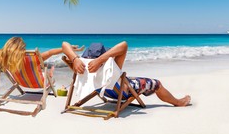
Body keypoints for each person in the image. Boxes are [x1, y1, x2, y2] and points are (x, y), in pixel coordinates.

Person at [62, 41, 191, 107]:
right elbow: (124, 45)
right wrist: (101, 60)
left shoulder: (80, 66)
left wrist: (75, 58)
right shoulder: (109, 66)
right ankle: (178, 102)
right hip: (122, 91)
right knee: (157, 83)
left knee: (129, 78)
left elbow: (64, 44)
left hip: (101, 88)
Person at [0, 36, 83, 76]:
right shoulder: (33, 57)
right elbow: (51, 52)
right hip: (37, 84)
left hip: (20, 83)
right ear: (21, 48)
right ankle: (50, 75)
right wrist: (68, 49)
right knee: (49, 73)